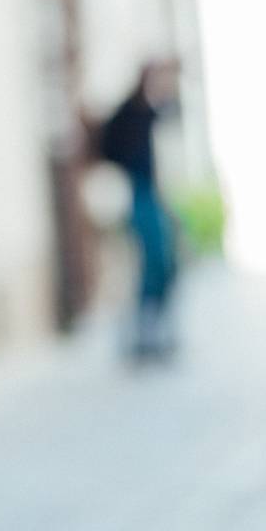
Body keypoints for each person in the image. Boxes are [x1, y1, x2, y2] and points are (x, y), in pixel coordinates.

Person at [97, 58, 181, 361]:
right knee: (151, 259)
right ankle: (145, 331)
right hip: (137, 192)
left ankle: (156, 327)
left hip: (152, 193)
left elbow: (174, 113)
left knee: (166, 261)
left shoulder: (149, 111)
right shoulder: (131, 111)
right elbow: (106, 145)